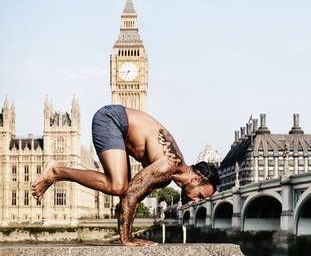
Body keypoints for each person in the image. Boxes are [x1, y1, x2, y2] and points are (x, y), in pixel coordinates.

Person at [32, 105, 219, 246]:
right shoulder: (168, 166)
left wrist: (129, 236)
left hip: (119, 128)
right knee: (118, 185)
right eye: (200, 195)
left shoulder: (169, 174)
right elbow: (129, 195)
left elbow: (133, 197)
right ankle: (57, 171)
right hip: (111, 119)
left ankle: (57, 173)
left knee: (121, 186)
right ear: (196, 179)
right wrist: (127, 239)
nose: (196, 201)